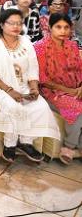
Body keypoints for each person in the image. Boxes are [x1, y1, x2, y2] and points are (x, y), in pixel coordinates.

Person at [0, 9, 60, 163]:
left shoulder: (25, 41)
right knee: (13, 106)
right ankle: (10, 144)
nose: (16, 26)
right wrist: (10, 91)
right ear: (1, 24)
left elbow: (33, 67)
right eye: (11, 23)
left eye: (19, 23)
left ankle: (26, 142)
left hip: (23, 85)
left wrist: (34, 88)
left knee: (40, 106)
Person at [34, 13, 82, 164]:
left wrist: (80, 87)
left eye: (66, 27)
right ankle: (69, 146)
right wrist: (70, 92)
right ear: (50, 27)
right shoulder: (40, 47)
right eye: (58, 27)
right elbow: (43, 79)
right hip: (51, 92)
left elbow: (80, 69)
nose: (63, 31)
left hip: (76, 88)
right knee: (77, 107)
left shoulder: (72, 46)